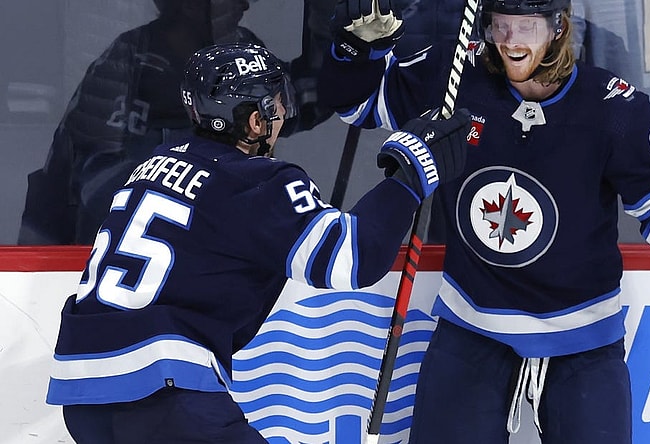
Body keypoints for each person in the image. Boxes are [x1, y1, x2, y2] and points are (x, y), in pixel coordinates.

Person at [317, 0, 650, 443]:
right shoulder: (454, 80)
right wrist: (356, 50)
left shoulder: (614, 107)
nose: (511, 41)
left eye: (526, 27)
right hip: (472, 324)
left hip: (584, 338)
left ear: (557, 28)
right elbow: (359, 108)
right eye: (501, 26)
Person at [45, 42, 471, 443]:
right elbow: (353, 256)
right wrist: (410, 174)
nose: (283, 113)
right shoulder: (254, 182)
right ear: (254, 120)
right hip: (161, 391)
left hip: (82, 393)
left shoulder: (153, 164)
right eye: (277, 102)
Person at [17, 0, 332, 246]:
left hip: (224, 248)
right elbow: (85, 178)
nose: (245, 5)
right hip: (134, 247)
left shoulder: (241, 48)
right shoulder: (127, 58)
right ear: (192, 4)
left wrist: (342, 42)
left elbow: (303, 104)